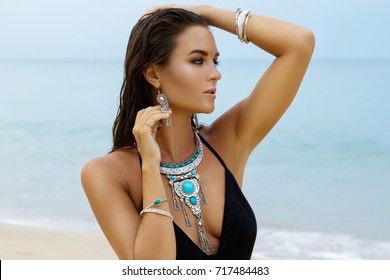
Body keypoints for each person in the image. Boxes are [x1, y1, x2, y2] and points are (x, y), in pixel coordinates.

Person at [81, 4, 315, 260]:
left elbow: (299, 43)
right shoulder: (107, 174)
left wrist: (203, 13)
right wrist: (150, 165)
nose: (216, 74)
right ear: (153, 73)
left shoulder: (228, 141)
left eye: (215, 60)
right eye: (197, 60)